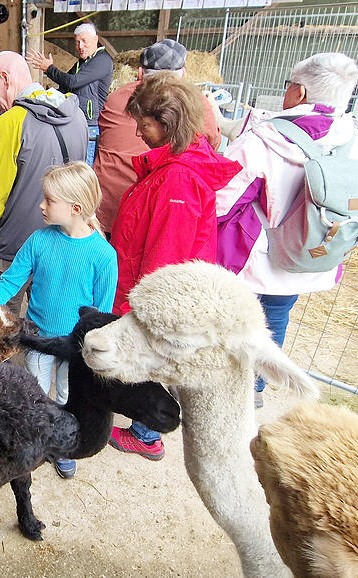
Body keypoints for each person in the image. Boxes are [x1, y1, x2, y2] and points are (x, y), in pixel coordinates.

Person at [215, 53, 358, 409]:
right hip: (312, 254)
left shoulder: (267, 139)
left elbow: (223, 200)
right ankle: (255, 386)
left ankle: (227, 387)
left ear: (298, 91)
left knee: (236, 320)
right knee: (276, 317)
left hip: (259, 257)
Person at [0, 161, 116, 479]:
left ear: (75, 208)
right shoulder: (39, 240)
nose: (40, 205)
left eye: (49, 200)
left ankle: (64, 446)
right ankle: (37, 441)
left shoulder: (103, 256)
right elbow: (11, 281)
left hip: (76, 347)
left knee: (68, 396)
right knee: (36, 394)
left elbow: (101, 316)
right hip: (40, 337)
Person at [109, 72, 241, 460]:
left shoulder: (178, 180)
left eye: (144, 124)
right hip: (146, 277)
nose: (138, 131)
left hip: (155, 290)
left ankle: (147, 433)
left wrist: (143, 308)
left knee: (155, 358)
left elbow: (166, 256)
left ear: (167, 124)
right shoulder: (175, 165)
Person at [0, 50, 88, 313]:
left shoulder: (8, 124)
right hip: (64, 241)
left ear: (4, 79)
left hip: (15, 246)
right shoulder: (78, 116)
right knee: (48, 319)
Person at [93, 39, 222, 233]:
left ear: (139, 73)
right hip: (159, 214)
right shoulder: (194, 101)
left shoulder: (117, 96)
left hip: (107, 207)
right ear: (183, 74)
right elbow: (211, 143)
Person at [26, 22, 112, 165]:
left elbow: (73, 82)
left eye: (84, 41)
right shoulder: (81, 63)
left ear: (95, 40)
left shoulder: (102, 60)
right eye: (77, 42)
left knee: (84, 168)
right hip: (75, 121)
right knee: (71, 166)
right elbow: (65, 88)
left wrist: (49, 69)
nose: (80, 46)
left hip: (90, 126)